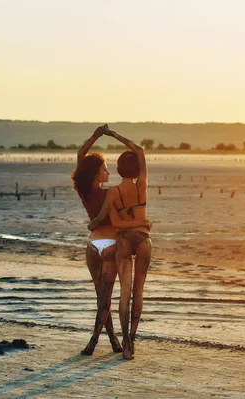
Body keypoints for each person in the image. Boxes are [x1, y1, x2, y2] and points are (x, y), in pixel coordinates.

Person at [71, 124, 150, 356]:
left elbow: (80, 156)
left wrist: (96, 136)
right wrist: (142, 224)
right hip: (110, 246)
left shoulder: (83, 191)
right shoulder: (111, 194)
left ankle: (114, 339)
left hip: (91, 246)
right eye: (104, 169)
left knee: (101, 298)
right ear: (97, 174)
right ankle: (94, 341)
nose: (107, 173)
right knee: (106, 300)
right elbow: (119, 222)